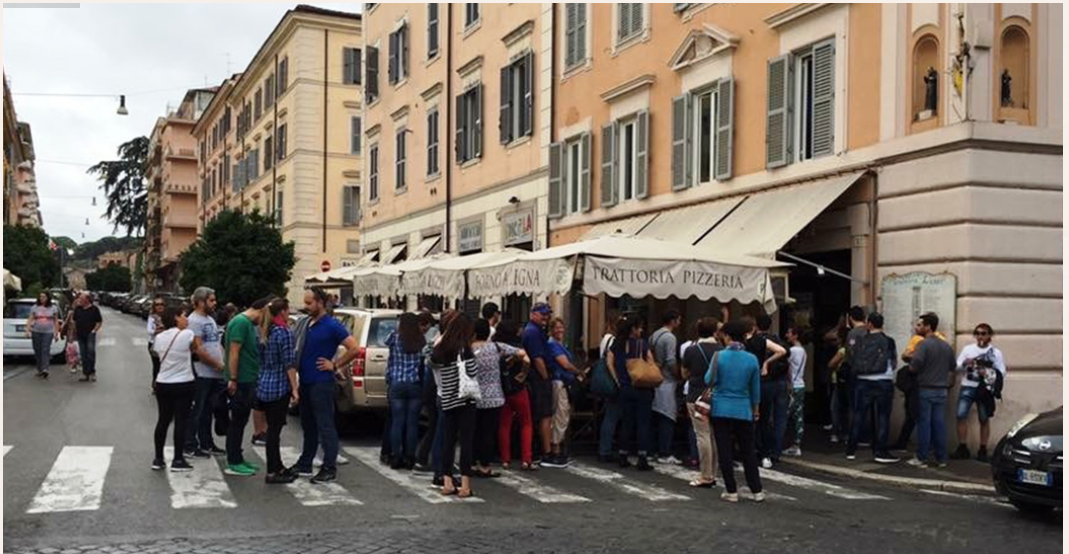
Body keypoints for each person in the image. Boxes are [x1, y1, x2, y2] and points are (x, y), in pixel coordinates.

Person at [287, 288, 360, 484]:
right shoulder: (306, 323)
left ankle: (329, 466)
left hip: (322, 383)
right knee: (308, 425)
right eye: (306, 302)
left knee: (325, 425)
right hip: (307, 382)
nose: (306, 306)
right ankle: (305, 462)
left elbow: (354, 348)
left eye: (310, 303)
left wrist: (335, 364)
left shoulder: (332, 325)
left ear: (320, 302)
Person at [152, 307, 220, 472]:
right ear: (175, 318)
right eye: (183, 316)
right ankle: (177, 459)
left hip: (162, 382)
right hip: (183, 382)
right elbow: (199, 349)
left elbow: (156, 353)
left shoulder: (159, 337)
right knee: (181, 421)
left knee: (163, 420)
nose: (186, 319)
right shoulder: (187, 334)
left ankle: (158, 458)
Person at [706, 320, 765, 503]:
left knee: (724, 449)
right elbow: (755, 389)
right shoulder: (752, 359)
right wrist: (755, 409)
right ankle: (757, 490)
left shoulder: (719, 356)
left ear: (728, 336)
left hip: (721, 407)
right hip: (743, 408)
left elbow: (709, 379)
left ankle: (731, 490)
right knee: (748, 449)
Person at [429, 312, 479, 498]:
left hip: (447, 398)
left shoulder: (441, 348)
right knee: (466, 441)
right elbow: (473, 372)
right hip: (466, 399)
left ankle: (447, 482)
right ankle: (465, 485)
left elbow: (432, 363)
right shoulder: (465, 350)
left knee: (447, 441)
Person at [222, 296, 271, 476]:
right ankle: (233, 461)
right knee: (237, 421)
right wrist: (233, 378)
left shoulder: (248, 324)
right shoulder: (241, 323)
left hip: (247, 378)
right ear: (262, 310)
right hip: (241, 380)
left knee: (242, 421)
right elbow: (234, 352)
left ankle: (238, 457)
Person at [846, 313, 899, 464]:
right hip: (883, 381)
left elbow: (852, 357)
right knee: (882, 417)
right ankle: (880, 451)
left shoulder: (860, 340)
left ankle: (851, 449)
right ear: (882, 324)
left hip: (862, 381)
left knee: (859, 415)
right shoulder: (888, 341)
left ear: (869, 324)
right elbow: (894, 362)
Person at [605, 314, 656, 471]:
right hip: (642, 388)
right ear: (633, 329)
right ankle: (642, 457)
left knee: (626, 422)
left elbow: (609, 362)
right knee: (643, 423)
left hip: (625, 388)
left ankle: (623, 455)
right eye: (639, 327)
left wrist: (618, 380)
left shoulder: (617, 344)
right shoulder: (642, 344)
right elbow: (651, 362)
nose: (641, 330)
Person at [951, 323, 1007, 462]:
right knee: (960, 415)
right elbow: (956, 366)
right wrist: (965, 363)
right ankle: (963, 447)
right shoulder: (968, 349)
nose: (980, 336)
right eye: (977, 333)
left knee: (984, 418)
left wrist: (986, 372)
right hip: (968, 385)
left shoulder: (995, 353)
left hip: (984, 388)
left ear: (989, 335)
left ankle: (983, 449)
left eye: (984, 333)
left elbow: (1002, 371)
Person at [907, 313, 956, 468]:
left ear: (928, 326)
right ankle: (941, 458)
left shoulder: (924, 344)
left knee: (925, 424)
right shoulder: (946, 345)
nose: (919, 327)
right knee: (939, 424)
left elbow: (915, 366)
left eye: (922, 324)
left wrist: (911, 366)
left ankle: (922, 457)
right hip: (942, 390)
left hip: (926, 389)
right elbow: (952, 366)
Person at [259, 298, 300, 484]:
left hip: (264, 384)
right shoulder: (284, 332)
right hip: (278, 386)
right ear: (282, 311)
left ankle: (278, 466)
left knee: (272, 430)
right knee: (274, 431)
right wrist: (295, 388)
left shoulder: (266, 330)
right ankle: (273, 471)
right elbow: (289, 363)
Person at [184, 288, 226, 458]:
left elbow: (215, 343)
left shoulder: (209, 319)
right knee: (197, 410)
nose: (215, 303)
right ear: (201, 302)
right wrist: (216, 363)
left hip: (214, 373)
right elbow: (198, 348)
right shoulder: (194, 321)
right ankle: (190, 444)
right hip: (202, 372)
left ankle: (207, 443)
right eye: (211, 300)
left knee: (208, 411)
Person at [681, 317, 721, 487]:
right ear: (714, 332)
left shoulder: (691, 350)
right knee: (714, 435)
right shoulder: (721, 349)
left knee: (702, 434)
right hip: (716, 394)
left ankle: (705, 475)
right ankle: (713, 472)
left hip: (696, 394)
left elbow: (684, 373)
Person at [746, 314, 788, 469]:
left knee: (752, 419)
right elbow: (783, 352)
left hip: (754, 382)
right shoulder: (773, 340)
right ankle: (770, 452)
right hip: (771, 382)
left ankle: (753, 450)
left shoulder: (750, 342)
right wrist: (767, 363)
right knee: (770, 419)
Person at [385, 313, 426, 470]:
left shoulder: (394, 337)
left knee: (397, 421)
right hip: (415, 383)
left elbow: (388, 349)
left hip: (397, 383)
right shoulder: (420, 339)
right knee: (412, 423)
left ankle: (396, 456)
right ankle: (410, 457)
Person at [494, 320, 536, 471]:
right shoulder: (517, 346)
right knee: (526, 423)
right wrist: (523, 374)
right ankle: (526, 458)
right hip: (518, 388)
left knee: (504, 424)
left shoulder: (496, 346)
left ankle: (505, 459)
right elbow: (527, 360)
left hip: (502, 388)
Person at [543, 317, 583, 468]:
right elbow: (564, 364)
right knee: (559, 415)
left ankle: (558, 449)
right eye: (557, 328)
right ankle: (555, 451)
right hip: (559, 382)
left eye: (561, 327)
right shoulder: (553, 345)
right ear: (551, 330)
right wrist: (578, 371)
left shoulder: (558, 344)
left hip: (562, 382)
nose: (560, 330)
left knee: (561, 415)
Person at [521, 303, 555, 465]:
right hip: (538, 378)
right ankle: (545, 452)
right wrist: (546, 377)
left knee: (539, 415)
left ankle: (538, 450)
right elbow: (537, 358)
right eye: (543, 314)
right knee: (543, 414)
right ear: (533, 314)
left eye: (547, 314)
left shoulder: (534, 331)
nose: (546, 317)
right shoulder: (533, 332)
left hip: (536, 378)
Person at [649, 310, 683, 465]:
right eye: (678, 320)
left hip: (654, 378)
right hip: (666, 380)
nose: (680, 323)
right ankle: (665, 452)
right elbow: (670, 361)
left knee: (656, 416)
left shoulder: (654, 335)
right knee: (667, 416)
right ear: (673, 321)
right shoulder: (670, 337)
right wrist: (678, 375)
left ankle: (653, 450)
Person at [413, 311, 439, 472]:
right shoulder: (438, 342)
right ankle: (425, 459)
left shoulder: (428, 344)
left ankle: (419, 457)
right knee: (437, 426)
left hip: (426, 389)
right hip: (437, 392)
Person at [597, 310, 624, 463]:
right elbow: (610, 361)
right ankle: (605, 449)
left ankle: (605, 448)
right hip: (611, 381)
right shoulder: (612, 339)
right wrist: (617, 380)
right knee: (612, 416)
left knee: (610, 415)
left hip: (606, 381)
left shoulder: (605, 338)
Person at [783, 327, 807, 457]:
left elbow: (788, 368)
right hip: (801, 385)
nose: (787, 335)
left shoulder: (792, 351)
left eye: (789, 333)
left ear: (795, 336)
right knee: (798, 415)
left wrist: (789, 382)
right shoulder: (803, 351)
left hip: (792, 386)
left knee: (785, 414)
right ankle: (797, 444)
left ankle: (780, 441)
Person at [70, 292, 103, 382]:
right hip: (80, 334)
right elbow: (74, 321)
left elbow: (99, 321)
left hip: (90, 334)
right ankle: (86, 373)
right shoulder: (78, 309)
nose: (79, 300)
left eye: (81, 298)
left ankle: (92, 372)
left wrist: (94, 330)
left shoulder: (94, 309)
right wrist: (72, 333)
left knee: (90, 352)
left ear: (87, 299)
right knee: (83, 354)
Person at [26, 292, 59, 379]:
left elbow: (56, 320)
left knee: (45, 349)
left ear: (48, 298)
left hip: (48, 332)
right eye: (40, 297)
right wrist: (28, 330)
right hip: (36, 331)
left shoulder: (53, 308)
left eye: (44, 297)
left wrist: (56, 332)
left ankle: (45, 369)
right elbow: (30, 319)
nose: (42, 298)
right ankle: (40, 368)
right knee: (37, 350)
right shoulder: (35, 307)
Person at [147, 296, 166, 388]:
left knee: (164, 365)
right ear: (154, 307)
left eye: (161, 304)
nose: (160, 306)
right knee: (157, 365)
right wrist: (156, 331)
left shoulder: (167, 317)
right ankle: (155, 384)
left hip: (166, 344)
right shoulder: (152, 317)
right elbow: (149, 331)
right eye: (157, 305)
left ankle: (163, 384)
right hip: (154, 344)